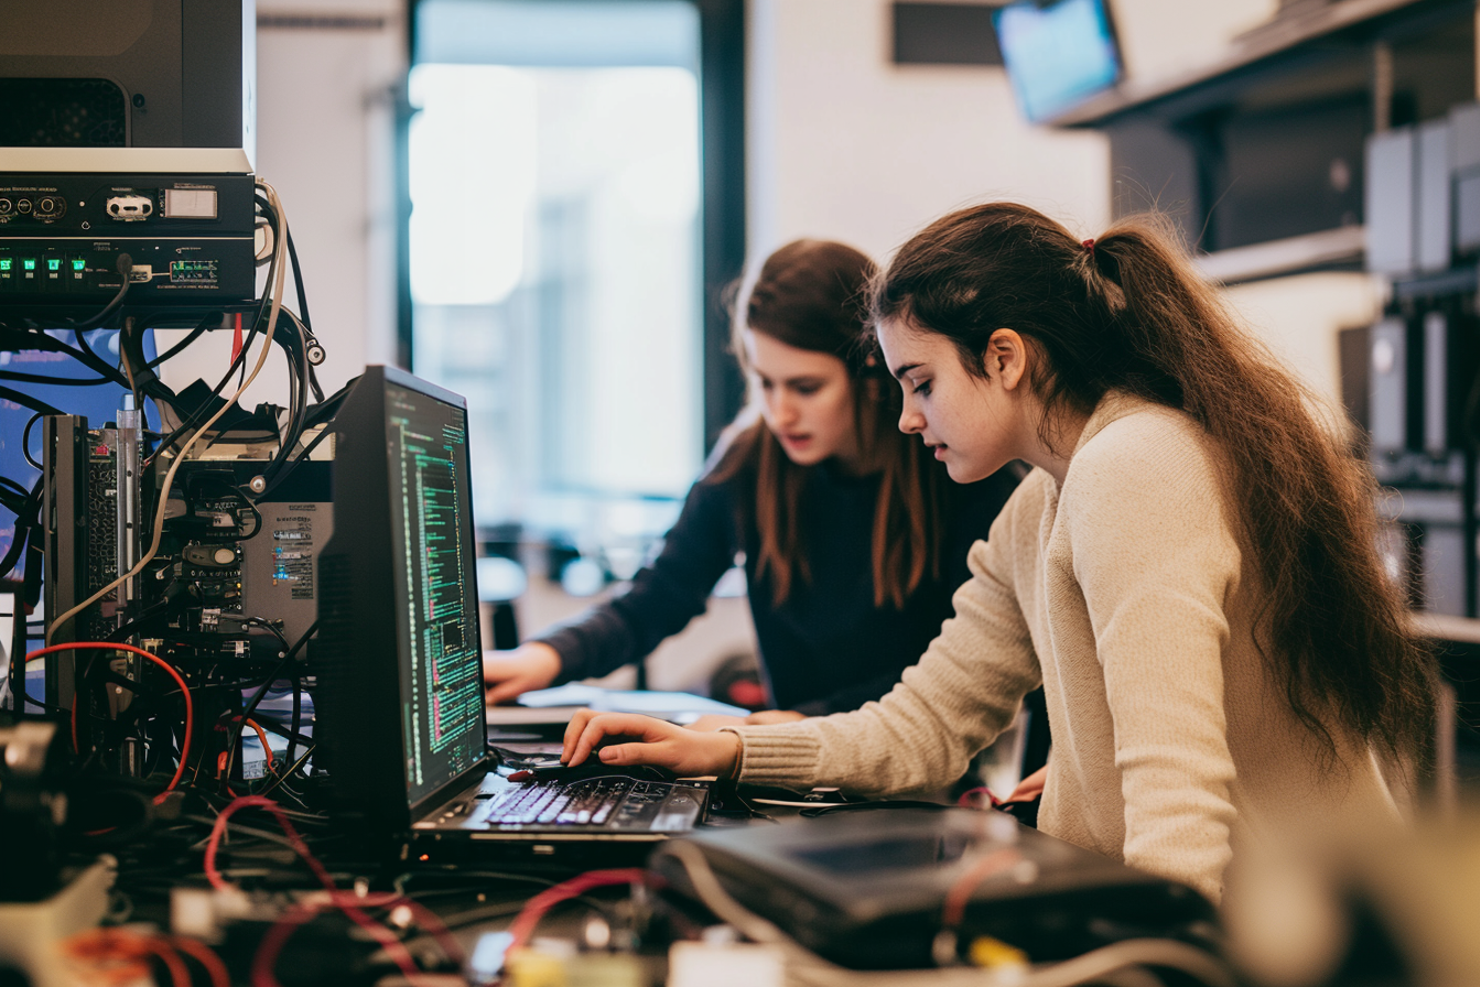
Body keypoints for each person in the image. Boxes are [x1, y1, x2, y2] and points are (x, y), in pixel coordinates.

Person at [558, 203, 1439, 903]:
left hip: (1289, 940)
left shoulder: (1134, 466)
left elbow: (1178, 810)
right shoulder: (1042, 503)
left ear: (1005, 357)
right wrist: (724, 747)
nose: (908, 418)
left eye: (921, 383)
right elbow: (922, 729)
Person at [483, 239, 1020, 722]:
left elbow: (961, 670)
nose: (780, 413)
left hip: (915, 764)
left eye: (805, 388)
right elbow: (658, 596)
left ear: (870, 371)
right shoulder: (748, 462)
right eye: (765, 383)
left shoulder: (955, 467)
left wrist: (806, 723)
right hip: (797, 761)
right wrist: (545, 656)